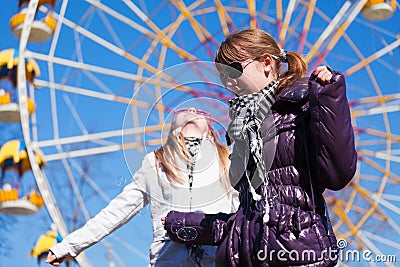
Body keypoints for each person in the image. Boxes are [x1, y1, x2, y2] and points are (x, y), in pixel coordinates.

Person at [164, 28, 357, 267]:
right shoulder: (241, 126)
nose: (228, 82)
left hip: (295, 255)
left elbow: (337, 174)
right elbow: (248, 218)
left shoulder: (303, 104)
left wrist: (330, 98)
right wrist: (183, 223)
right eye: (222, 76)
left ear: (266, 62)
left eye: (233, 69)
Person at [46, 107, 239, 267]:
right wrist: (69, 246)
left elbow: (242, 213)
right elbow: (118, 210)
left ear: (210, 128)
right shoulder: (155, 163)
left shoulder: (228, 161)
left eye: (198, 111)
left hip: (216, 258)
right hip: (168, 259)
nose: (191, 110)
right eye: (185, 110)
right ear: (173, 126)